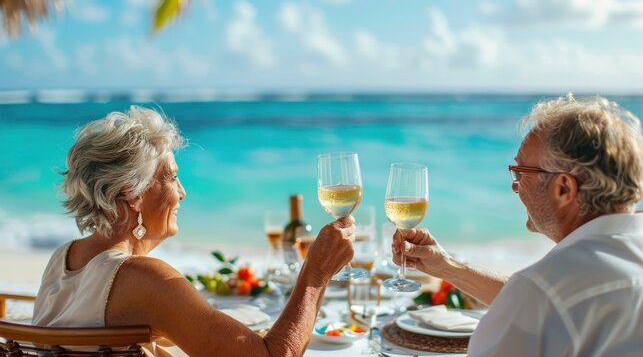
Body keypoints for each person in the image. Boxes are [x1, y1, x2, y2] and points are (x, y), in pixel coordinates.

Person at [32, 106, 356, 356]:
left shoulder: (63, 257)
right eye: (171, 177)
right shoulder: (144, 278)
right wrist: (316, 272)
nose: (183, 192)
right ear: (133, 194)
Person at [392, 94, 643, 356]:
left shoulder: (542, 292)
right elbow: (554, 304)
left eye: (522, 172)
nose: (515, 186)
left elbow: (542, 300)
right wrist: (447, 267)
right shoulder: (555, 290)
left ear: (564, 188)